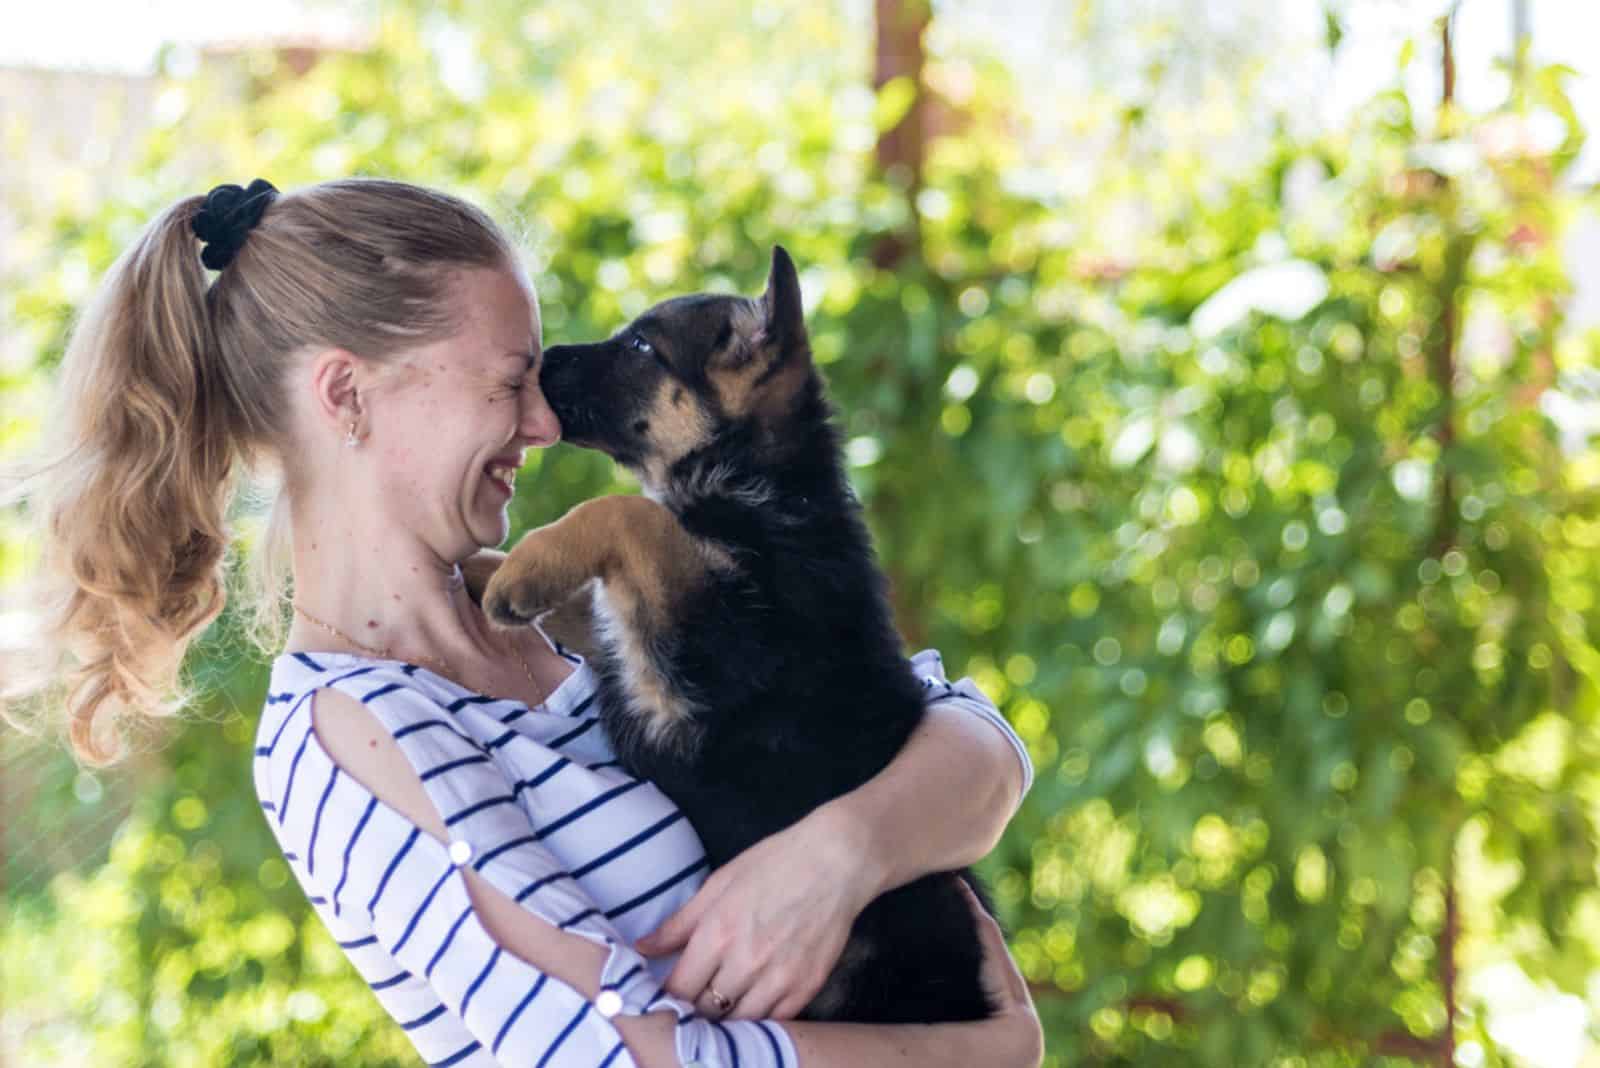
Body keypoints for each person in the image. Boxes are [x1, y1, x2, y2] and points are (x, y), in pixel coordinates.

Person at [10, 176, 1044, 1067]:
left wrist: (840, 853)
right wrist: (979, 1051)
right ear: (348, 396)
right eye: (510, 382)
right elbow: (614, 1053)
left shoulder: (545, 610)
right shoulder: (347, 740)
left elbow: (963, 734)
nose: (547, 422)